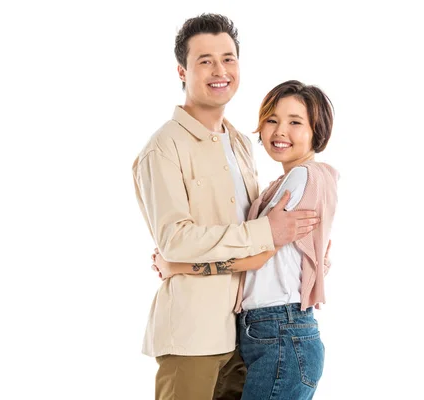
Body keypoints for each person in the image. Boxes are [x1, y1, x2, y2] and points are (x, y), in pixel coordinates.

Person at [132, 13, 321, 400]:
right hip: (191, 337)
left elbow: (250, 243)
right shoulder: (163, 148)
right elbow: (176, 239)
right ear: (182, 71)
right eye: (205, 61)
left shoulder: (237, 142)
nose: (220, 70)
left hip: (245, 334)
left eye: (228, 58)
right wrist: (268, 232)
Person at [152, 79, 338, 400]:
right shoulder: (281, 183)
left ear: (316, 131)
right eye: (272, 120)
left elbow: (257, 256)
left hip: (281, 331)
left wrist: (177, 265)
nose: (280, 131)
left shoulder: (304, 176)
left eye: (295, 122)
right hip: (273, 331)